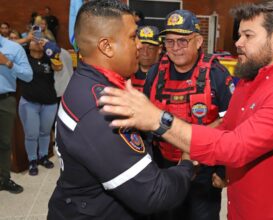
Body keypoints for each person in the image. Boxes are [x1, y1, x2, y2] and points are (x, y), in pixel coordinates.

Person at [99, 0, 273, 219]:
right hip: (238, 207)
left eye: (248, 35)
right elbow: (226, 125)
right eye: (239, 34)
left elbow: (236, 146)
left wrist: (159, 120)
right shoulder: (249, 81)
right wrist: (187, 145)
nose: (237, 43)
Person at [48, 1, 193, 219]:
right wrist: (188, 163)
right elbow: (153, 193)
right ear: (106, 46)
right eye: (133, 37)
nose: (139, 45)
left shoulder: (90, 82)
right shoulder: (103, 107)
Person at [143, 9, 233, 220]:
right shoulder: (155, 73)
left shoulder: (216, 75)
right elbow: (145, 119)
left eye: (183, 41)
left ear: (199, 41)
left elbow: (231, 124)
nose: (175, 48)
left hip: (203, 172)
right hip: (163, 167)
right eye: (170, 41)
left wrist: (223, 171)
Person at [18, 40, 63, 176]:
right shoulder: (23, 57)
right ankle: (32, 160)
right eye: (34, 40)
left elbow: (58, 67)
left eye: (40, 40)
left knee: (45, 132)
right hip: (29, 102)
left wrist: (50, 46)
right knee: (31, 134)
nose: (37, 42)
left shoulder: (48, 57)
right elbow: (12, 47)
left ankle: (43, 156)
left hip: (49, 102)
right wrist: (26, 40)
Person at [0, 35, 33, 194]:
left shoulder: (14, 48)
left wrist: (8, 63)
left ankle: (4, 179)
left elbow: (28, 75)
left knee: (5, 143)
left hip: (4, 101)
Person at [131, 26, 162, 92]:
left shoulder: (166, 74)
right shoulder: (126, 73)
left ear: (159, 49)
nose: (145, 53)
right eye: (141, 48)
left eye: (150, 48)